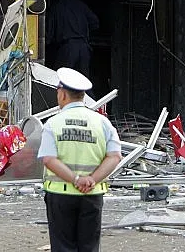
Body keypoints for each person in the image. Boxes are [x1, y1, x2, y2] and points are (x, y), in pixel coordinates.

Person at [38, 67, 122, 252]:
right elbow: (115, 156)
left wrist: (76, 180)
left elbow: (49, 159)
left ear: (63, 95)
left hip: (61, 196)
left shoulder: (53, 123)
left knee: (63, 247)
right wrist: (91, 179)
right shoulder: (102, 122)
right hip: (92, 195)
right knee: (89, 247)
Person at [46, 0, 99, 78]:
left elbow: (48, 36)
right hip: (84, 47)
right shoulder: (80, 5)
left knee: (60, 78)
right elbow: (95, 23)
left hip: (67, 48)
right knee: (83, 80)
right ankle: (88, 94)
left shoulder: (55, 9)